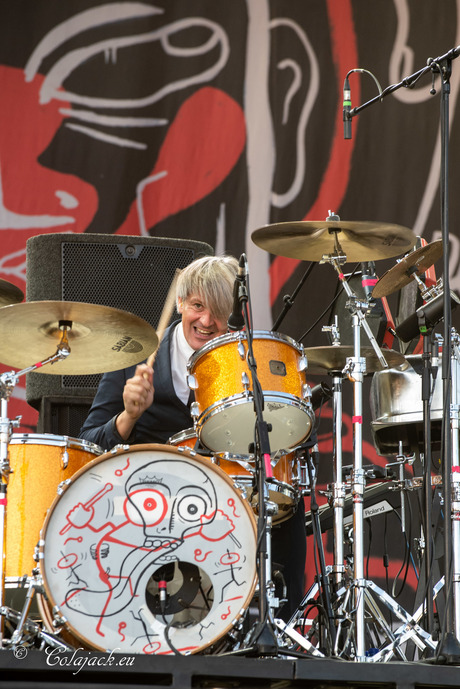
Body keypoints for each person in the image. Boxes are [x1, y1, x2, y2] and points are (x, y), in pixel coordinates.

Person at [79, 254, 306, 621]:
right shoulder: (136, 357)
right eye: (198, 306)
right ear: (181, 302)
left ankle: (282, 628)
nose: (206, 320)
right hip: (150, 502)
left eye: (218, 311)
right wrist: (128, 416)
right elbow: (90, 445)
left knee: (285, 506)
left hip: (222, 498)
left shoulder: (245, 361)